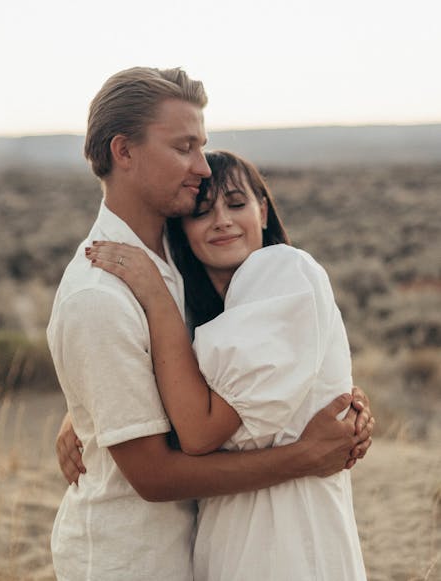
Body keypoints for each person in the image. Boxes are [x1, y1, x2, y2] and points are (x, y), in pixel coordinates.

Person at [48, 66, 373, 581]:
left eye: (202, 146)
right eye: (183, 148)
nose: (201, 166)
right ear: (124, 152)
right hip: (130, 562)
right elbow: (155, 473)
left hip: (215, 548)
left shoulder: (179, 271)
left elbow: (206, 370)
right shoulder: (101, 293)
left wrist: (85, 412)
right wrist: (306, 456)